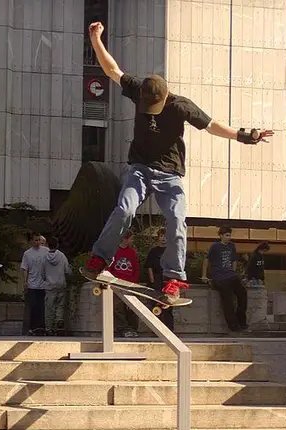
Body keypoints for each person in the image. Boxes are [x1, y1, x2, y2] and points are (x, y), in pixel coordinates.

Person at [84, 21, 274, 304]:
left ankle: (173, 277)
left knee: (176, 219)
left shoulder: (181, 105)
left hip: (170, 174)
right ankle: (100, 258)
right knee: (124, 209)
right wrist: (96, 39)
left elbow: (212, 125)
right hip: (139, 168)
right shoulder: (139, 88)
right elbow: (112, 70)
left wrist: (246, 136)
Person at [201, 226, 248, 333]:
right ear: (221, 236)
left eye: (230, 235)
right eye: (226, 235)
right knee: (228, 300)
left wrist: (233, 272)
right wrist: (204, 275)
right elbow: (206, 260)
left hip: (231, 276)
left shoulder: (232, 246)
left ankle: (242, 321)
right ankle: (233, 326)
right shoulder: (215, 246)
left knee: (243, 294)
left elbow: (234, 260)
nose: (229, 237)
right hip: (220, 277)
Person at [108, 231, 140, 338]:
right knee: (118, 307)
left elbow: (136, 268)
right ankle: (122, 328)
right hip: (117, 283)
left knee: (132, 307)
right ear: (125, 239)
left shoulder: (132, 252)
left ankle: (133, 328)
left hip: (130, 284)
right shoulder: (114, 251)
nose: (132, 241)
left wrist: (133, 282)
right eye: (131, 238)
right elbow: (109, 267)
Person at [145, 227, 174, 330]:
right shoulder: (153, 251)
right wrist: (152, 281)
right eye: (161, 236)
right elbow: (149, 267)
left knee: (168, 305)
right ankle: (156, 329)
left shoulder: (171, 251)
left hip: (168, 280)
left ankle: (169, 329)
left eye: (165, 236)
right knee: (155, 305)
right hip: (156, 279)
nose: (163, 238)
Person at [42, 237, 71, 335]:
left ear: (47, 245)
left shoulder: (44, 257)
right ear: (57, 244)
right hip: (61, 284)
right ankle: (59, 319)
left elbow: (42, 272)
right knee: (60, 305)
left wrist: (45, 279)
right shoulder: (62, 256)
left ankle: (49, 329)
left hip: (49, 286)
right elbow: (67, 270)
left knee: (49, 307)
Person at [21, 232, 48, 335]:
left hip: (43, 284)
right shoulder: (27, 254)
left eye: (38, 240)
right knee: (33, 306)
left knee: (42, 306)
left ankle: (41, 328)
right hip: (32, 284)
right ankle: (33, 328)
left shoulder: (46, 251)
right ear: (31, 241)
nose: (37, 242)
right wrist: (25, 282)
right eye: (35, 240)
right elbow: (24, 269)